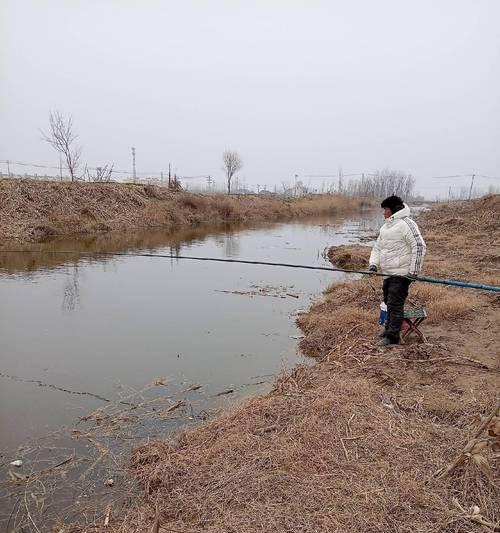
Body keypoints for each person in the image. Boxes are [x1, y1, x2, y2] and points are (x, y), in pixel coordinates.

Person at [369, 195, 426, 346]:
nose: (383, 212)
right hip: (387, 273)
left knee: (395, 304)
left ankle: (392, 337)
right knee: (388, 302)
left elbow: (419, 246)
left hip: (401, 274)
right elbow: (377, 248)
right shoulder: (385, 227)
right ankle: (388, 328)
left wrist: (413, 272)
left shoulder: (407, 224)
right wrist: (373, 265)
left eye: (385, 209)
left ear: (393, 210)